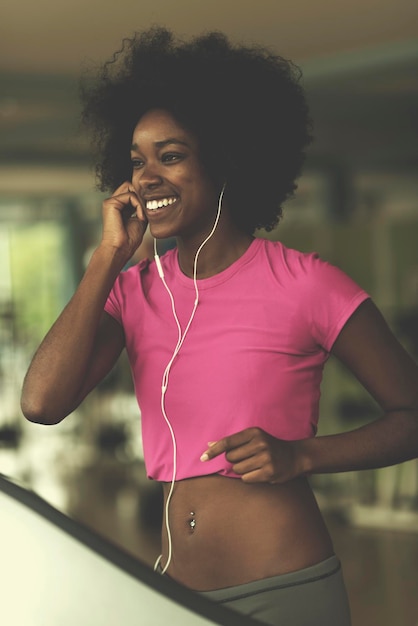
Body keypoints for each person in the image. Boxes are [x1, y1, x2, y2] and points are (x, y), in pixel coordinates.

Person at [21, 27, 418, 626]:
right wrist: (106, 257)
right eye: (137, 162)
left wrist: (304, 455)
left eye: (171, 156)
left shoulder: (307, 284)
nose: (147, 177)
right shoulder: (131, 293)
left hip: (287, 588)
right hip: (174, 592)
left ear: (227, 160)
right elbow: (41, 403)